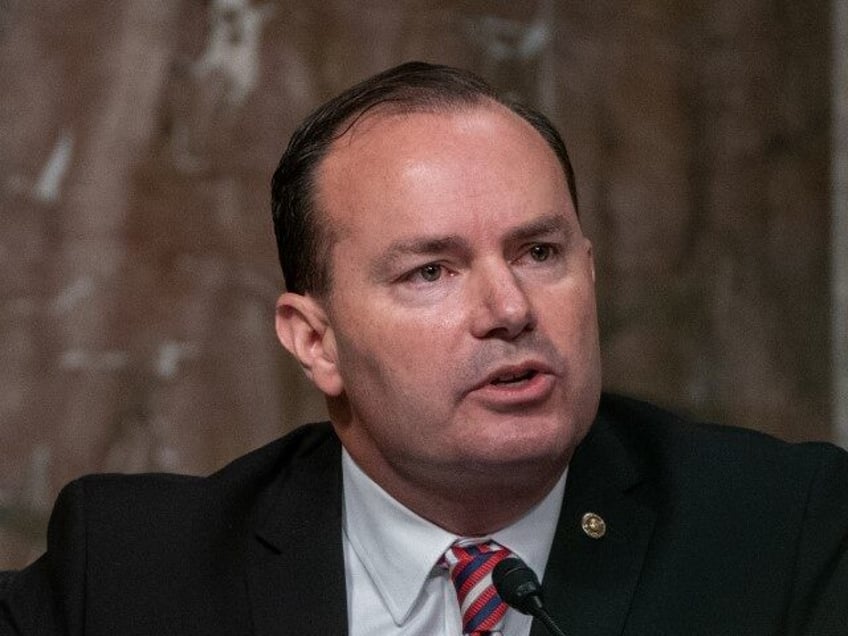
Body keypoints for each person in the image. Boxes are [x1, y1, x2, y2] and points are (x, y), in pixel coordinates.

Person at [2, 61, 847, 635]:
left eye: (540, 254)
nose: (510, 309)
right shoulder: (129, 573)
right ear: (316, 341)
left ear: (591, 271)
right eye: (431, 271)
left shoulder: (783, 532)